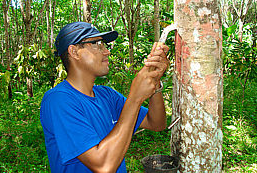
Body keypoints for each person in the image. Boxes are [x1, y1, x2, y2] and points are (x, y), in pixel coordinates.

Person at [40, 22, 170, 173]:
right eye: (96, 44)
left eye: (104, 45)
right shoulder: (59, 100)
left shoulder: (107, 95)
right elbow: (103, 166)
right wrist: (135, 97)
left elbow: (156, 123)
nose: (106, 51)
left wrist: (154, 79)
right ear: (74, 52)